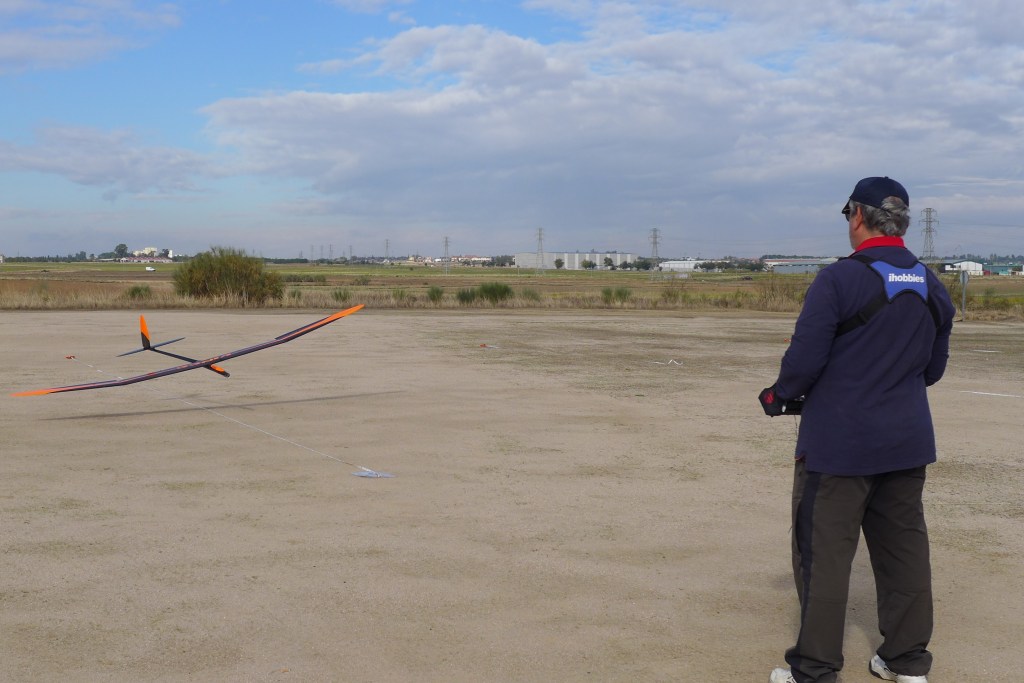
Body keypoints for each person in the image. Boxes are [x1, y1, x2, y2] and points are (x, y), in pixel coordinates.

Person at [761, 177, 956, 683]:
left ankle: (815, 669)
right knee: (904, 552)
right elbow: (933, 369)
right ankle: (906, 661)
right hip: (907, 440)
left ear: (858, 216)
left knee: (823, 556)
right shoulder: (931, 283)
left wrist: (778, 396)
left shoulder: (838, 279)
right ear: (903, 222)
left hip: (839, 447)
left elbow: (803, 362)